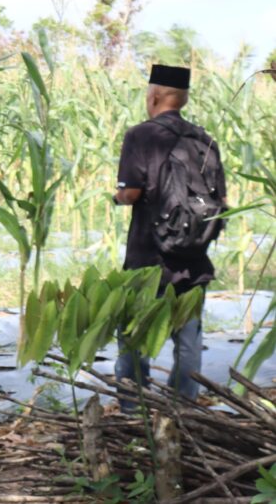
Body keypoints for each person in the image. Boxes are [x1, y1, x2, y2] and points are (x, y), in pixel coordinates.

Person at [113, 64, 224, 412]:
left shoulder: (140, 135)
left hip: (148, 258)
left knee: (135, 333)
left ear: (154, 96)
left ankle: (134, 409)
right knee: (188, 339)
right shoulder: (205, 140)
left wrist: (117, 197)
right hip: (193, 260)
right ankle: (184, 411)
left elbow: (131, 192)